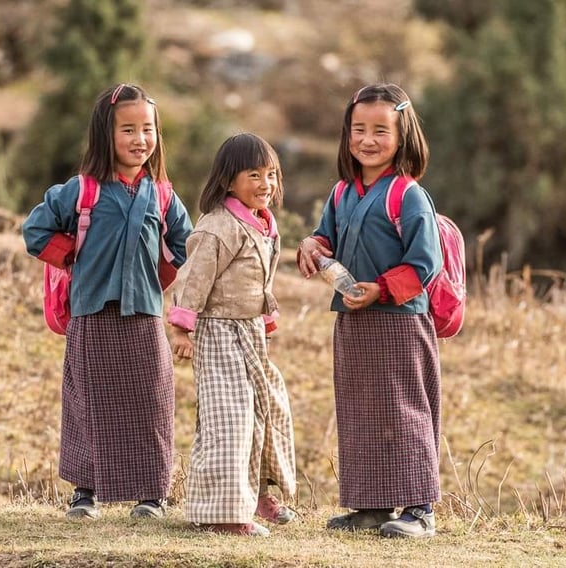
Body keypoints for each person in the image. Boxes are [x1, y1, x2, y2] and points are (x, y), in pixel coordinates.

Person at [22, 83, 193, 520]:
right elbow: (35, 231)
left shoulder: (163, 195)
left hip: (145, 315)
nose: (140, 139)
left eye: (148, 129)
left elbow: (185, 245)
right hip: (91, 311)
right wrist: (74, 260)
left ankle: (151, 495)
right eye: (128, 130)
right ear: (105, 135)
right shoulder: (81, 191)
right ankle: (85, 492)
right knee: (88, 402)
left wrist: (157, 279)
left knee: (152, 402)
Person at [297, 83, 444, 538]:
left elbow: (426, 264)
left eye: (381, 130)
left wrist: (380, 290)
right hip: (353, 320)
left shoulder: (408, 195)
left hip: (401, 322)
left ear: (403, 136)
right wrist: (312, 245)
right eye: (358, 129)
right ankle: (372, 506)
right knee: (360, 410)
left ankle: (420, 510)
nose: (367, 139)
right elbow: (327, 238)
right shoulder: (342, 192)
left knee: (404, 410)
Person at [168, 132, 297, 537]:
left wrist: (266, 319)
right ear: (228, 181)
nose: (266, 184)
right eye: (254, 175)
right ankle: (222, 513)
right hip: (219, 332)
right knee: (230, 420)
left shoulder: (263, 224)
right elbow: (193, 278)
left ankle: (254, 494)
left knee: (264, 412)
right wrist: (182, 329)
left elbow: (260, 280)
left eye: (271, 175)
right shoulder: (218, 227)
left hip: (250, 332)